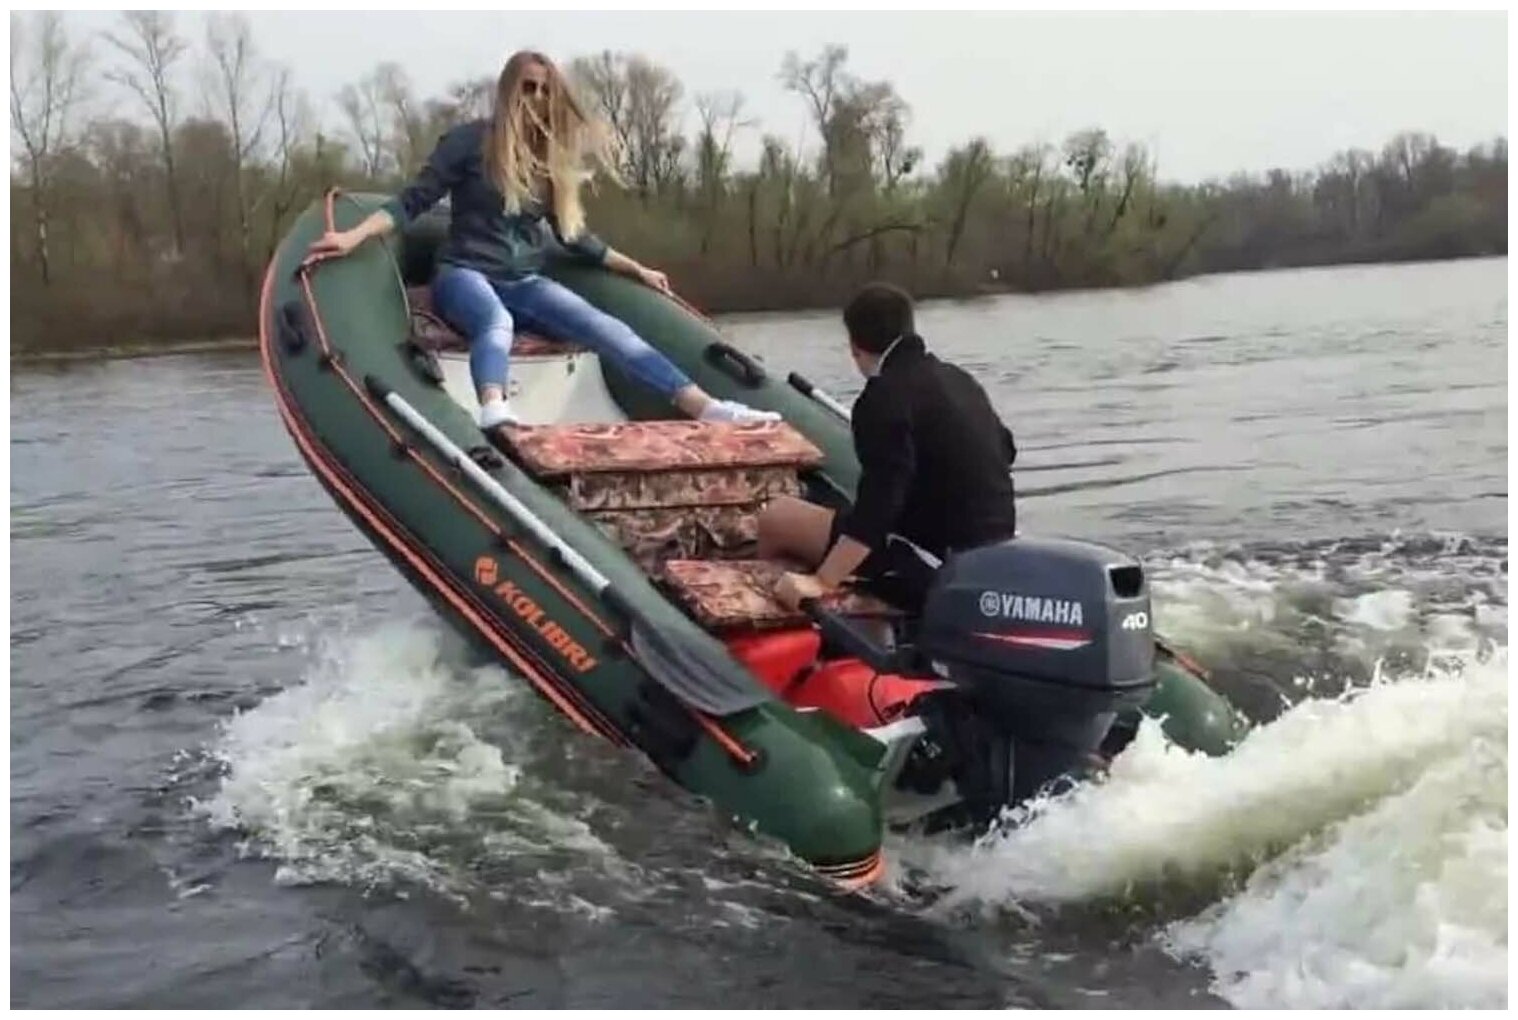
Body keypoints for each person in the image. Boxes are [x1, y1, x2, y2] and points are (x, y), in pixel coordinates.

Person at [308, 50, 776, 430]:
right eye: (528, 87)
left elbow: (575, 238)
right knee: (496, 322)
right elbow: (411, 202)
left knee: (608, 328)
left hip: (524, 280)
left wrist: (636, 269)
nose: (536, 98)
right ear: (508, 90)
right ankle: (494, 406)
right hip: (465, 272)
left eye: (545, 90)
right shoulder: (469, 142)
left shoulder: (546, 161)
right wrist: (351, 237)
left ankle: (706, 408)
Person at [762, 282, 1018, 611]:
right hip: (993, 557)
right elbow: (1006, 450)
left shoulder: (881, 399)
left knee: (777, 518)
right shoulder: (959, 379)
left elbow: (881, 504)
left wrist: (823, 581)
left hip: (933, 565)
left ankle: (770, 614)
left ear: (855, 346)